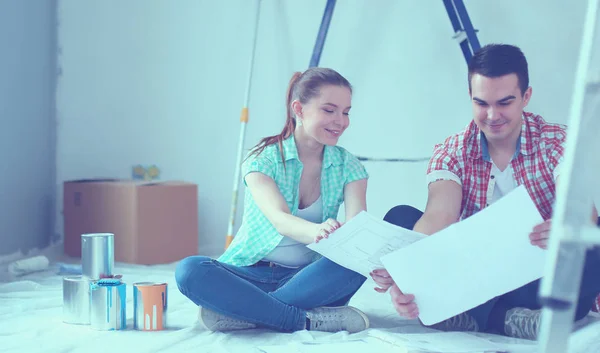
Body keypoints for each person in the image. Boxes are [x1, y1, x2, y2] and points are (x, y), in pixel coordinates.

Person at [371, 44, 600, 340]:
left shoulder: (557, 142)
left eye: (505, 102)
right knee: (401, 218)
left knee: (593, 236)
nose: (492, 115)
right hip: (470, 279)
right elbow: (440, 214)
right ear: (470, 97)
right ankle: (504, 318)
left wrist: (564, 227)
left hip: (537, 280)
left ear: (525, 97)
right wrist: (410, 273)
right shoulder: (452, 151)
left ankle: (479, 316)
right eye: (482, 103)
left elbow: (581, 208)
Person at [175, 67, 370, 333]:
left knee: (355, 262)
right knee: (190, 270)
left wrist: (364, 250)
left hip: (307, 277)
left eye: (346, 112)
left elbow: (359, 228)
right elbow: (280, 219)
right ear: (299, 110)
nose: (341, 121)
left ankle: (248, 312)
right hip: (249, 274)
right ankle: (302, 319)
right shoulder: (263, 160)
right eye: (329, 110)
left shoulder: (349, 166)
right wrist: (317, 231)